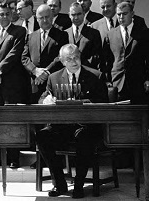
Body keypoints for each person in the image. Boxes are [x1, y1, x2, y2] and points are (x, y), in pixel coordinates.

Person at [36, 44, 108, 198]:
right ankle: (60, 184)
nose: (74, 61)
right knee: (42, 136)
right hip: (60, 127)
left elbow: (104, 102)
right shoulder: (53, 77)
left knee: (84, 137)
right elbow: (42, 98)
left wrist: (88, 102)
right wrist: (46, 100)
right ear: (62, 61)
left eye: (76, 57)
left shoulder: (96, 76)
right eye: (69, 59)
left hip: (85, 126)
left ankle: (79, 185)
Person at [0, 3, 30, 168]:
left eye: (6, 14)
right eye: (0, 14)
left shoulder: (19, 31)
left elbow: (14, 53)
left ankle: (13, 158)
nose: (3, 17)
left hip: (11, 83)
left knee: (12, 121)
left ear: (11, 16)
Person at [103, 2, 149, 104]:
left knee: (139, 116)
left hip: (138, 82)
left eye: (124, 13)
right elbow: (107, 60)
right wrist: (107, 79)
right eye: (119, 14)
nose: (121, 17)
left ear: (132, 14)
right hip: (117, 83)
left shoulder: (143, 32)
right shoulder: (110, 34)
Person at [22, 4, 68, 103]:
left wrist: (45, 72)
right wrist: (34, 70)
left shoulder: (62, 35)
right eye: (41, 18)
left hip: (54, 82)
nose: (44, 20)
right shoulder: (30, 36)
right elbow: (24, 58)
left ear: (52, 17)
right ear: (36, 19)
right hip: (34, 83)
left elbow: (60, 57)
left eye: (47, 17)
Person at [65, 2, 103, 69]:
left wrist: (82, 67)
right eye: (73, 15)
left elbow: (96, 55)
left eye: (79, 14)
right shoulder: (64, 33)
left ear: (84, 14)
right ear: (69, 15)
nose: (76, 18)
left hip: (88, 72)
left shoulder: (94, 33)